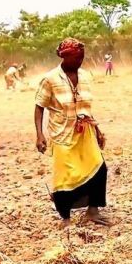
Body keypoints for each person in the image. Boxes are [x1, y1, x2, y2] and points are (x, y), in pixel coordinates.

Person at [34, 38, 109, 229]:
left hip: (85, 131)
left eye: (82, 57)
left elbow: (85, 106)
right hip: (62, 133)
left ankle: (93, 210)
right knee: (65, 176)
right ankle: (65, 218)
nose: (80, 61)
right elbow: (39, 107)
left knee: (99, 168)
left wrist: (98, 130)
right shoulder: (50, 79)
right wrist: (39, 135)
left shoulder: (85, 76)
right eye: (77, 57)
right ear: (65, 57)